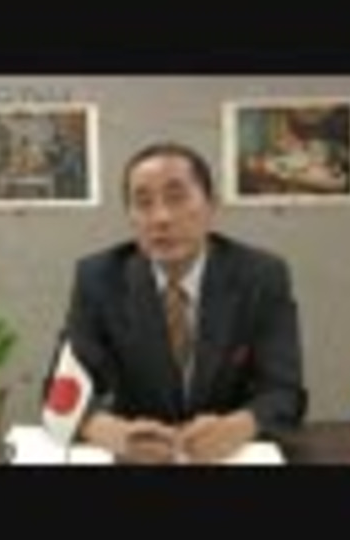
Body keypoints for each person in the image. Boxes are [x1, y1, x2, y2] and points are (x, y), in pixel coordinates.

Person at [51, 141, 307, 464]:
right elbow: (59, 390)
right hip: (137, 457)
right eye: (143, 203)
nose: (161, 218)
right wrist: (108, 431)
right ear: (130, 216)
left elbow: (285, 392)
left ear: (211, 206)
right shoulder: (99, 278)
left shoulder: (260, 277)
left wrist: (241, 426)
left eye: (176, 198)